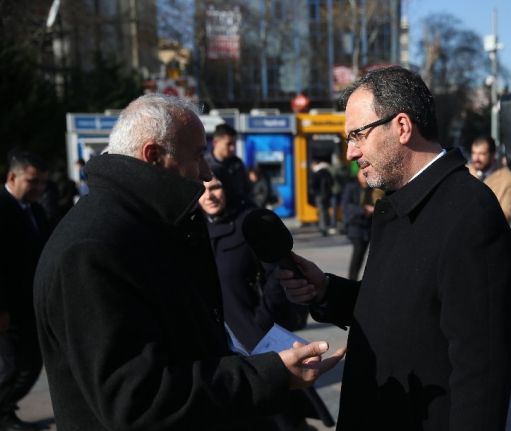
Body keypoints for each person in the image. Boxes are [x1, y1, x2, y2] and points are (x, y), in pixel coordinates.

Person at [33, 94, 344, 430]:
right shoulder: (92, 251)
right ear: (153, 156)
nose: (207, 172)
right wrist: (268, 374)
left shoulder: (147, 223)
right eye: (198, 156)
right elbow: (138, 400)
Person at [278, 66, 511, 430]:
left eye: (357, 135)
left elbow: (481, 373)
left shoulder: (469, 212)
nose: (350, 152)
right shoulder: (401, 201)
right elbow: (403, 311)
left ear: (402, 127)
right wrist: (327, 290)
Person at [198, 173, 334, 430]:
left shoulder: (247, 223)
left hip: (254, 333)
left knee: (281, 415)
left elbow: (276, 273)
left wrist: (264, 316)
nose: (210, 195)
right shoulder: (194, 231)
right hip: (216, 339)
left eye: (215, 187)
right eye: (202, 190)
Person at [0, 150, 50, 431]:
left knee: (30, 364)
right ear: (12, 177)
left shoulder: (36, 210)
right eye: (33, 182)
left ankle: (5, 409)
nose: (39, 189)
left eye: (43, 182)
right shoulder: (2, 207)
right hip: (9, 309)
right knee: (12, 366)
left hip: (30, 305)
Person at [341, 168, 383, 280]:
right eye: (362, 173)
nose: (364, 175)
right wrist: (364, 210)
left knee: (372, 256)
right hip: (356, 226)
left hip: (370, 226)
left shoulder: (375, 188)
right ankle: (352, 280)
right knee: (358, 254)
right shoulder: (351, 187)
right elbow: (346, 206)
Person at [467, 135, 511, 223]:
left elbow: (506, 215)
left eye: (482, 154)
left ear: (493, 155)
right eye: (474, 153)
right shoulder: (465, 173)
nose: (476, 158)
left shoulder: (509, 179)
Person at [205, 123, 252, 201]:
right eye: (229, 144)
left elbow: (247, 191)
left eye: (234, 144)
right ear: (215, 143)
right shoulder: (204, 164)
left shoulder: (238, 164)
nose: (232, 148)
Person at [309, 158, 336, 236]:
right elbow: (332, 182)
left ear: (315, 164)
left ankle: (323, 228)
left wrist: (315, 193)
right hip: (327, 195)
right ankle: (327, 226)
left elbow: (313, 185)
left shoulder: (316, 173)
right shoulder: (327, 172)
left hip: (319, 196)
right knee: (326, 211)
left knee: (322, 211)